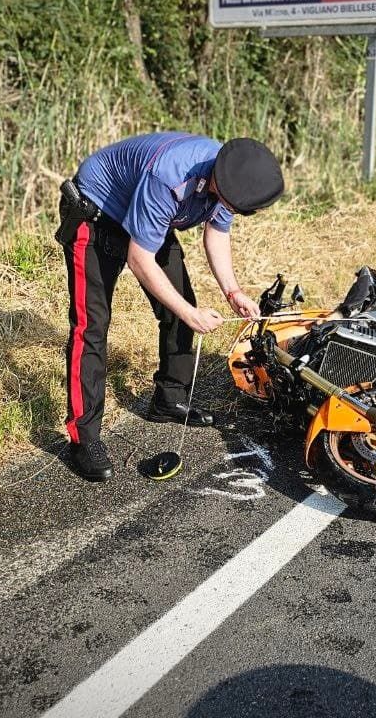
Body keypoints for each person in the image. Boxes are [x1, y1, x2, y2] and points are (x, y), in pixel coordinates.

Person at [54, 133, 284, 481]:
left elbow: (216, 232)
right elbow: (139, 259)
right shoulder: (170, 176)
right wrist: (190, 314)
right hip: (98, 213)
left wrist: (233, 291)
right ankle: (83, 438)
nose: (236, 212)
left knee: (181, 305)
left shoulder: (231, 177)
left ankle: (169, 399)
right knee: (92, 327)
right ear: (222, 183)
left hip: (147, 218)